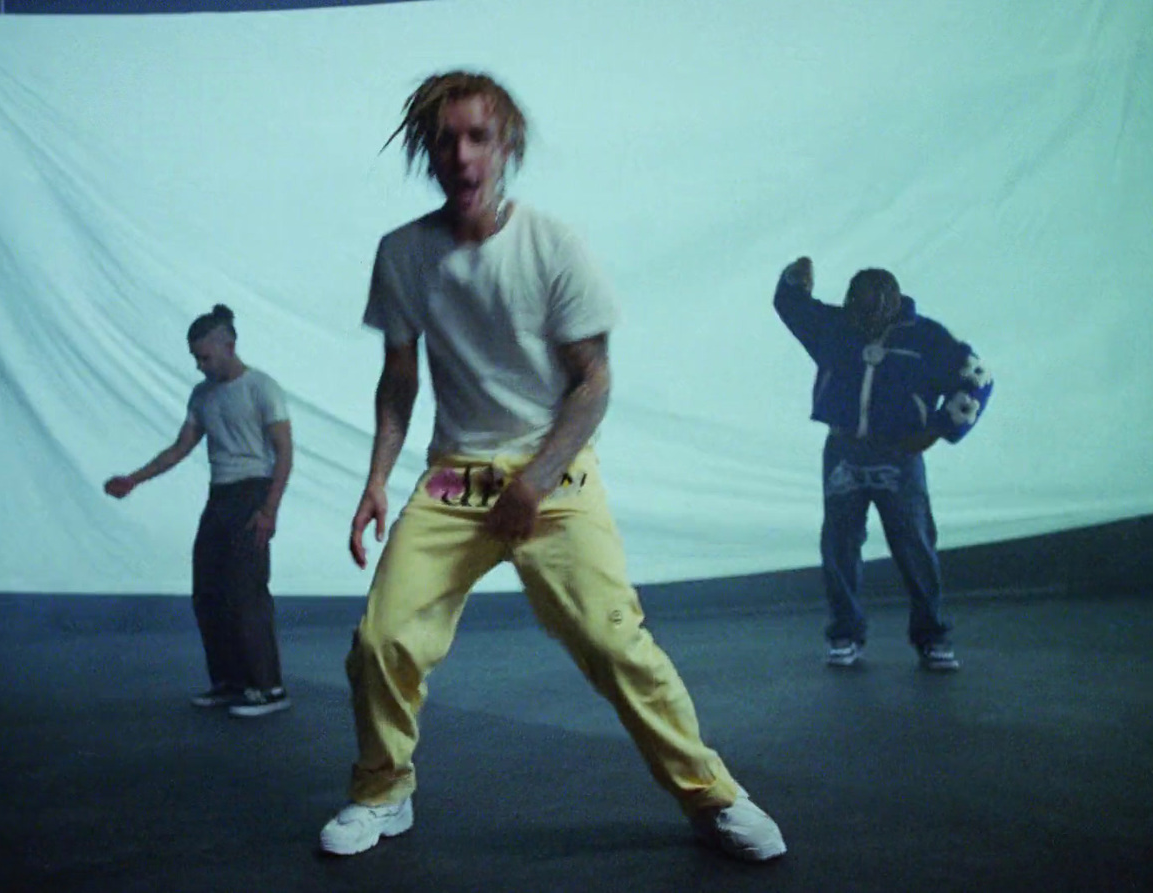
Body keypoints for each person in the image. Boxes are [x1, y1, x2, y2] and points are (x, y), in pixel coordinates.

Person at [316, 71, 786, 862]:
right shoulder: (403, 254)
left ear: (507, 148)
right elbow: (399, 380)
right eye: (446, 138)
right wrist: (375, 478)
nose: (462, 154)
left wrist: (535, 479)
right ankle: (381, 790)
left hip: (554, 476)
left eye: (479, 137)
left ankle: (712, 795)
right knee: (380, 642)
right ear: (427, 151)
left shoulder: (553, 245)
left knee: (615, 644)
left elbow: (593, 382)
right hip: (454, 480)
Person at [773, 257, 994, 671]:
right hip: (843, 451)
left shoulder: (927, 338)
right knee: (839, 546)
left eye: (872, 307)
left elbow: (978, 379)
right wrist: (793, 279)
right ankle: (845, 635)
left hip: (900, 454)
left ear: (892, 302)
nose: (863, 317)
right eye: (855, 306)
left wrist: (940, 428)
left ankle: (933, 637)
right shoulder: (835, 326)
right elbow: (790, 306)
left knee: (914, 546)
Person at [104, 304, 295, 717]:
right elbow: (179, 448)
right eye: (195, 358)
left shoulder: (263, 387)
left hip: (253, 493)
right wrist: (134, 479)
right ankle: (228, 682)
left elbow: (284, 454)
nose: (199, 365)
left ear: (229, 345)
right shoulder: (202, 395)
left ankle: (269, 688)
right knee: (208, 593)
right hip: (220, 496)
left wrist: (269, 509)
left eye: (205, 356)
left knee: (247, 594)